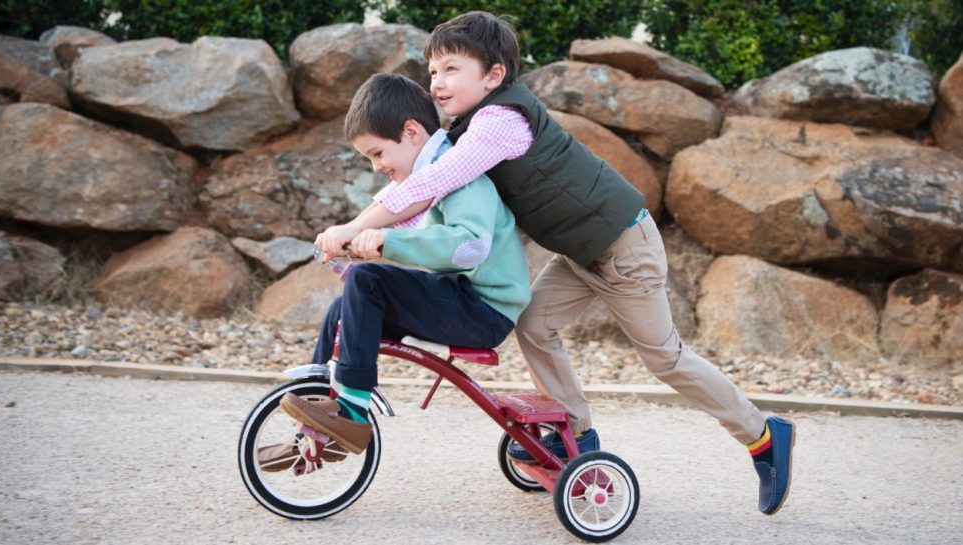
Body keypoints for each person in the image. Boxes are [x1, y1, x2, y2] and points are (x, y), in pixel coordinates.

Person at [315, 12, 795, 515]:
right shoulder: (466, 131)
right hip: (583, 253)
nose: (438, 82)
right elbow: (413, 197)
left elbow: (426, 187)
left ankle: (762, 435)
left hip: (624, 246)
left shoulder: (500, 123)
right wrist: (356, 236)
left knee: (665, 358)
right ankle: (577, 439)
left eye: (452, 69)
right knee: (534, 322)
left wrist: (356, 232)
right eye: (433, 71)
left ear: (494, 76)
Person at [280, 73, 531, 455]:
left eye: (377, 154)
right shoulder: (427, 176)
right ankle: (314, 412)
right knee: (344, 307)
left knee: (367, 281)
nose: (376, 167)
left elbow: (468, 247)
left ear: (412, 132)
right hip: (460, 298)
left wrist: (386, 242)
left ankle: (351, 410)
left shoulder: (459, 175)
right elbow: (388, 209)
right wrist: (351, 238)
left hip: (485, 311)